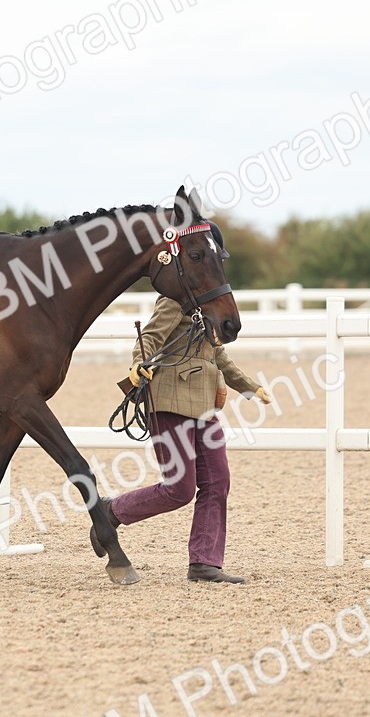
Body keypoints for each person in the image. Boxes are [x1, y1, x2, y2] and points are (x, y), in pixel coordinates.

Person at [93, 223, 270, 583]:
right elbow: (149, 340)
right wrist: (137, 364)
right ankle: (111, 512)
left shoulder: (206, 305)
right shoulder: (175, 299)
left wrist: (249, 387)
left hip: (205, 405)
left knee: (218, 482)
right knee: (179, 488)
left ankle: (205, 562)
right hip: (170, 402)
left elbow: (217, 357)